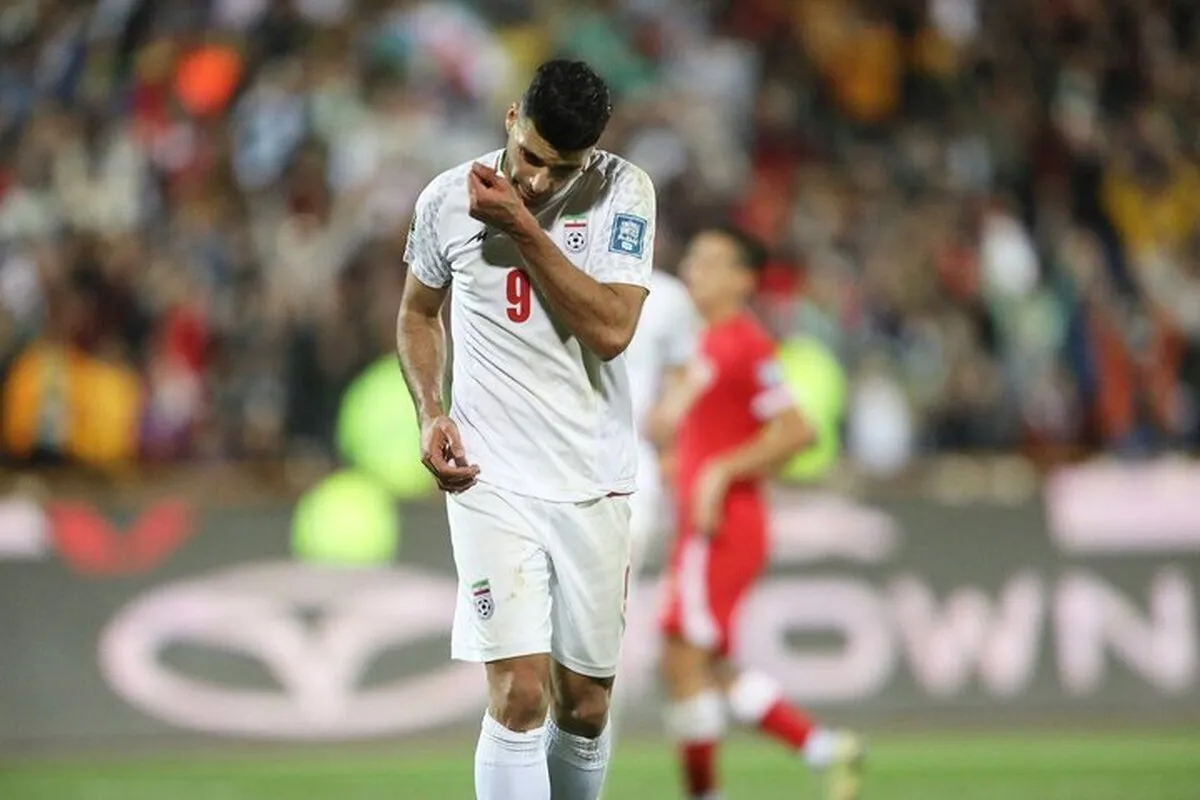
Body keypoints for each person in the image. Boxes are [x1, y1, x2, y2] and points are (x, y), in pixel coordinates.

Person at [395, 60, 655, 800]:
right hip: (492, 477)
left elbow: (611, 329)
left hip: (592, 478)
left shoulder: (623, 191)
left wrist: (520, 225)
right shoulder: (447, 198)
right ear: (512, 117)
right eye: (531, 156)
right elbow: (417, 314)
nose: (539, 180)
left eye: (561, 168)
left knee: (586, 706)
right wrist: (431, 409)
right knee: (518, 692)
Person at [654, 226, 865, 800]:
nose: (694, 271)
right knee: (707, 666)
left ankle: (706, 794)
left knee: (683, 661)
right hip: (705, 525)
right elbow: (688, 428)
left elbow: (797, 430)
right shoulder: (699, 344)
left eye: (711, 262)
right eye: (692, 259)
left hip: (723, 526)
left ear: (743, 279)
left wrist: (720, 472)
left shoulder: (744, 344)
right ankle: (825, 748)